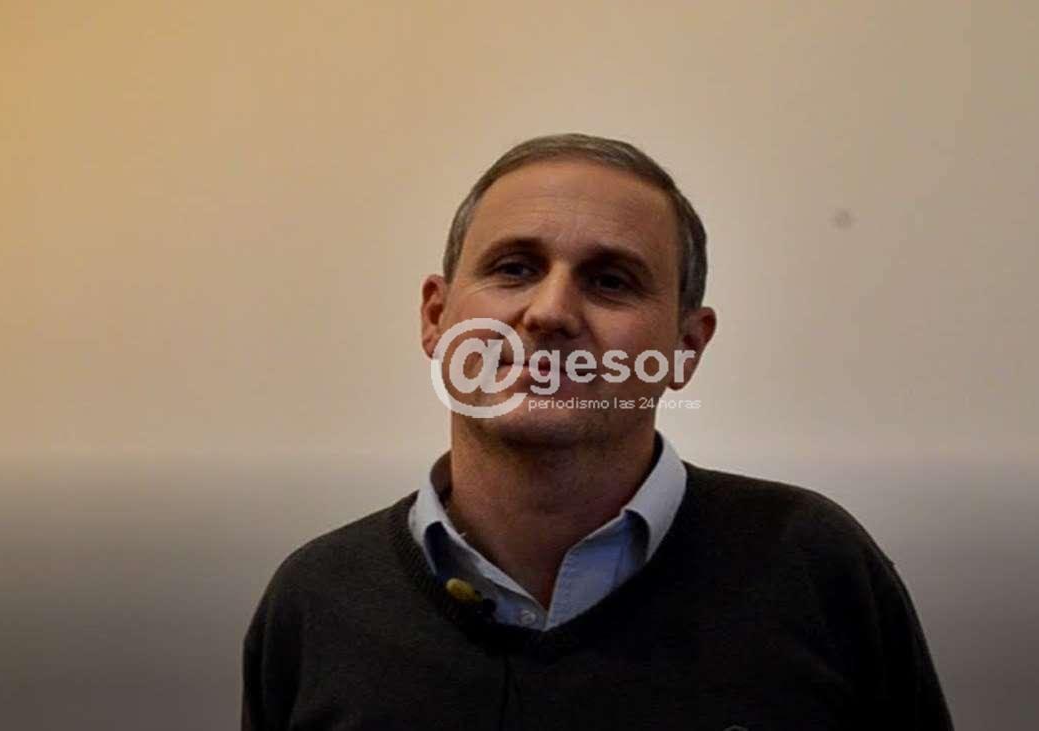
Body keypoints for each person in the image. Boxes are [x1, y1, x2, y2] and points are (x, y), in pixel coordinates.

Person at [242, 133, 953, 729]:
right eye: (514, 268)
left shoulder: (813, 567)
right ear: (436, 317)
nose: (551, 312)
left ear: (686, 347)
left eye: (611, 281)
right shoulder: (318, 601)